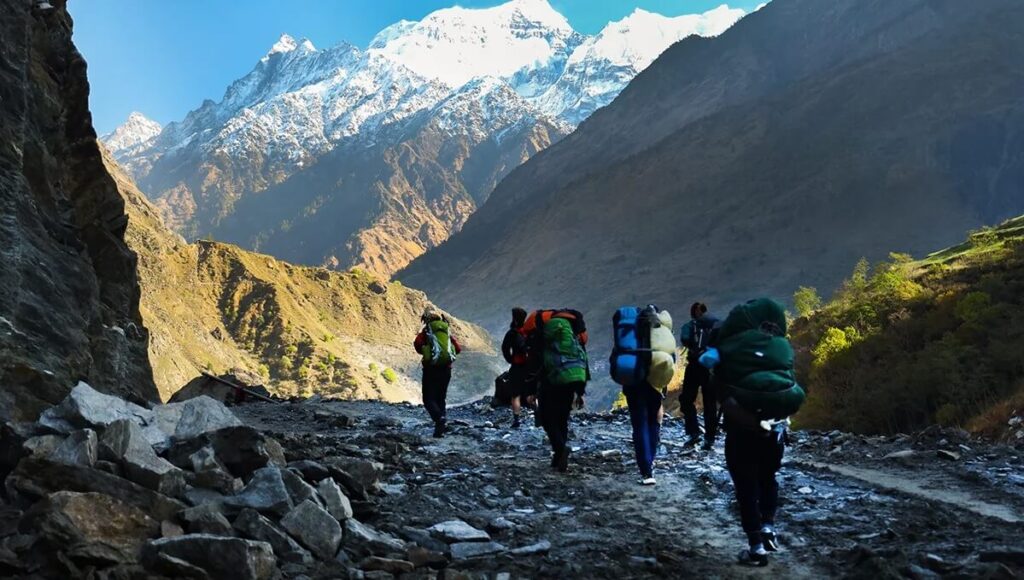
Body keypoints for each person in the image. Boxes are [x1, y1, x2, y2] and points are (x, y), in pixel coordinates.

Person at [699, 298, 806, 567]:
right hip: (776, 426)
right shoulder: (780, 346)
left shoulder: (729, 348)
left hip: (741, 428)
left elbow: (714, 384)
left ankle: (756, 547)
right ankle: (768, 525)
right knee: (768, 477)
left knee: (745, 485)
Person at [610, 305, 677, 485]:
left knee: (639, 425)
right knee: (653, 422)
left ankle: (646, 470)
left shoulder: (629, 335)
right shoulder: (660, 333)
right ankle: (650, 462)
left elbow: (615, 357)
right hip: (654, 385)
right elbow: (672, 359)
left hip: (633, 384)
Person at [522, 309, 589, 472]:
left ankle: (560, 449)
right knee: (562, 417)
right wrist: (580, 392)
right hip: (572, 379)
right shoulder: (572, 334)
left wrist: (530, 391)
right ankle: (558, 457)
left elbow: (534, 364)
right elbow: (582, 359)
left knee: (547, 418)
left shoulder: (543, 336)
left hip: (551, 381)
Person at [413, 308, 462, 438]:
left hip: (431, 370)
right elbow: (458, 349)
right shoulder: (446, 332)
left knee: (428, 398)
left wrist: (427, 350)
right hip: (446, 370)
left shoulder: (427, 332)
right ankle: (441, 427)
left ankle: (439, 419)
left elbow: (417, 345)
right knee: (441, 398)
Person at [679, 302, 720, 450]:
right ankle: (710, 438)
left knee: (686, 399)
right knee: (710, 403)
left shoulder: (691, 325)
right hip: (711, 368)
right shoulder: (716, 325)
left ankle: (693, 432)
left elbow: (684, 339)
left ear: (694, 313)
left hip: (694, 365)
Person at [501, 307, 533, 429]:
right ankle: (538, 415)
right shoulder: (528, 332)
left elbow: (505, 348)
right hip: (530, 366)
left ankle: (516, 420)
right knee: (531, 392)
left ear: (514, 318)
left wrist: (510, 359)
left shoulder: (512, 333)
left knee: (515, 394)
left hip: (517, 366)